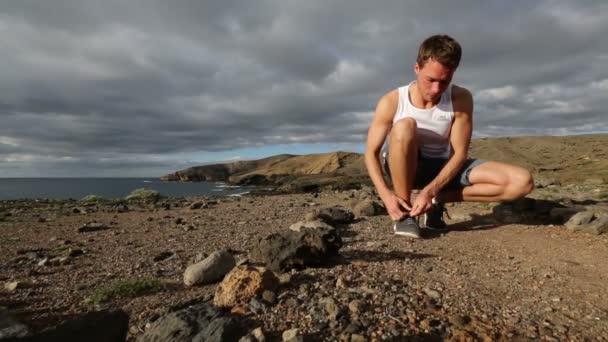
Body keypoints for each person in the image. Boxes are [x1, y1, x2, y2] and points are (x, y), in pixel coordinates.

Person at [365, 34, 534, 238]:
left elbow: (460, 154)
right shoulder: (392, 101)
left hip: (444, 168)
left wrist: (431, 192)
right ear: (417, 68)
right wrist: (386, 196)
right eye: (430, 80)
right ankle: (405, 212)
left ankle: (436, 202)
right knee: (404, 127)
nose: (436, 89)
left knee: (522, 182)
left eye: (444, 81)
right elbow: (371, 153)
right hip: (403, 166)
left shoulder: (461, 98)